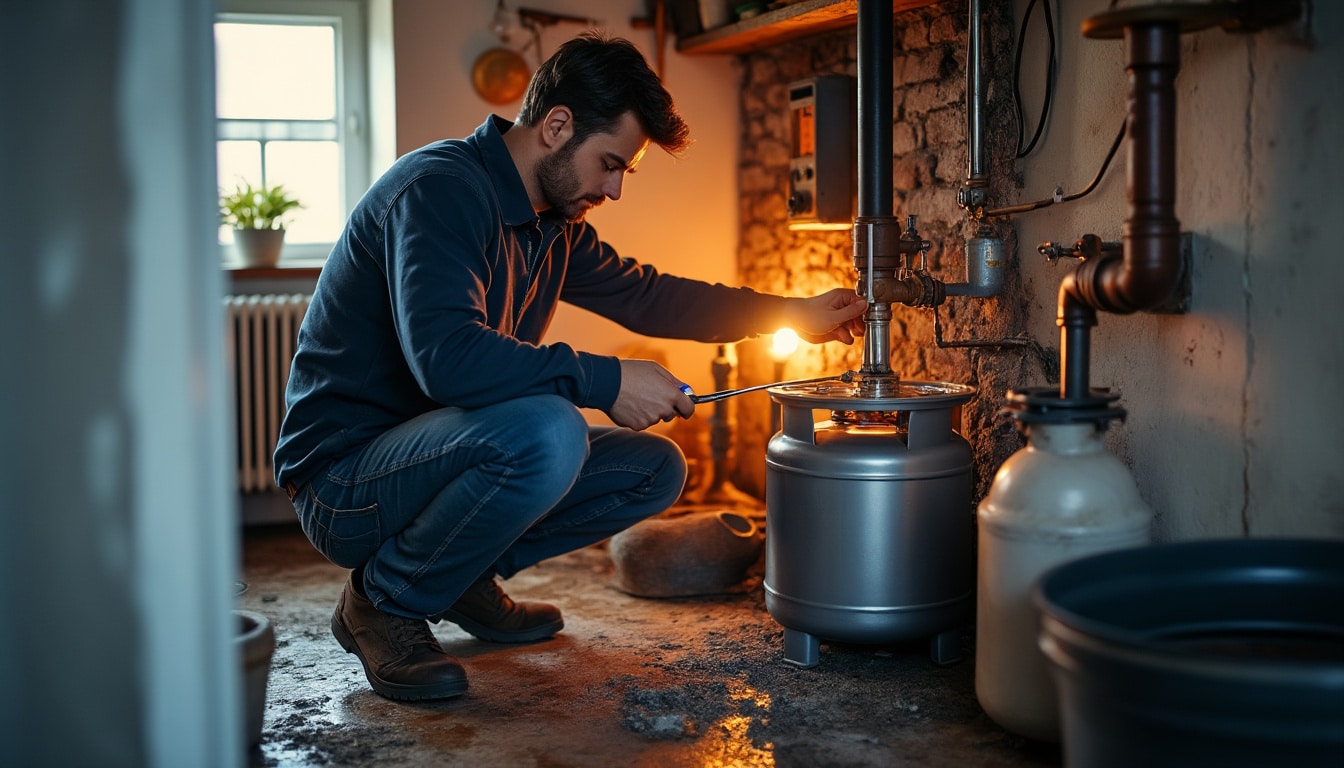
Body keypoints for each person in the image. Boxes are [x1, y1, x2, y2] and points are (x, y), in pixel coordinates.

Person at [273, 31, 867, 702]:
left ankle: (453, 575)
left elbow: (649, 296)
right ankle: (383, 601)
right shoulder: (439, 190)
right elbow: (448, 360)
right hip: (345, 485)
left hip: (433, 458)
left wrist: (792, 311)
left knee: (655, 468)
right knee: (550, 431)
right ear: (557, 126)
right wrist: (607, 380)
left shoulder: (549, 224)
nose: (614, 189)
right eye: (610, 164)